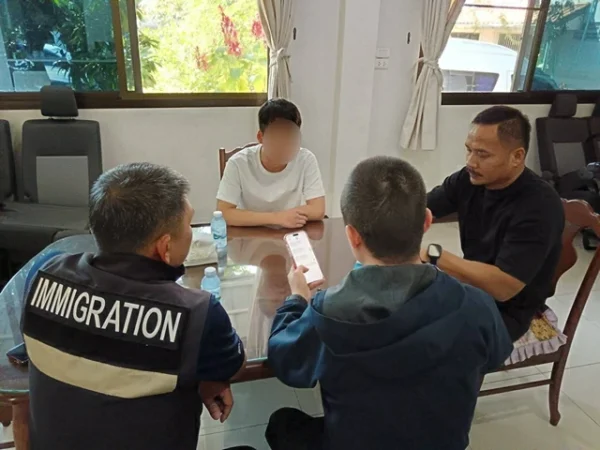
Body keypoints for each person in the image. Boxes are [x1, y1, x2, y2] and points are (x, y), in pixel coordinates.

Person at [265, 156, 514, 450]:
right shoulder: (476, 305)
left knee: (281, 423)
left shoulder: (328, 313)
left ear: (352, 235)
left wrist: (297, 299)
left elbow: (284, 360)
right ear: (427, 221)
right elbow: (494, 355)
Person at [20, 163, 254, 450]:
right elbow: (232, 366)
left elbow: (95, 347)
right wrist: (205, 373)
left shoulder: (44, 274)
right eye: (189, 224)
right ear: (165, 247)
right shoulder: (195, 313)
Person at [424, 106, 564, 341]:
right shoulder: (469, 179)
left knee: (425, 341)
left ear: (517, 156)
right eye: (468, 150)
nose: (471, 162)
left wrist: (434, 254)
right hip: (471, 289)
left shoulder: (539, 206)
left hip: (509, 311)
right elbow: (422, 207)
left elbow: (503, 287)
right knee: (395, 310)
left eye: (483, 154)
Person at [216, 98, 326, 228]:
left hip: (291, 232)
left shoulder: (306, 159)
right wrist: (277, 218)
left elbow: (318, 209)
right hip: (251, 232)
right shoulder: (238, 163)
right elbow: (224, 213)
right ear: (260, 137)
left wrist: (285, 218)